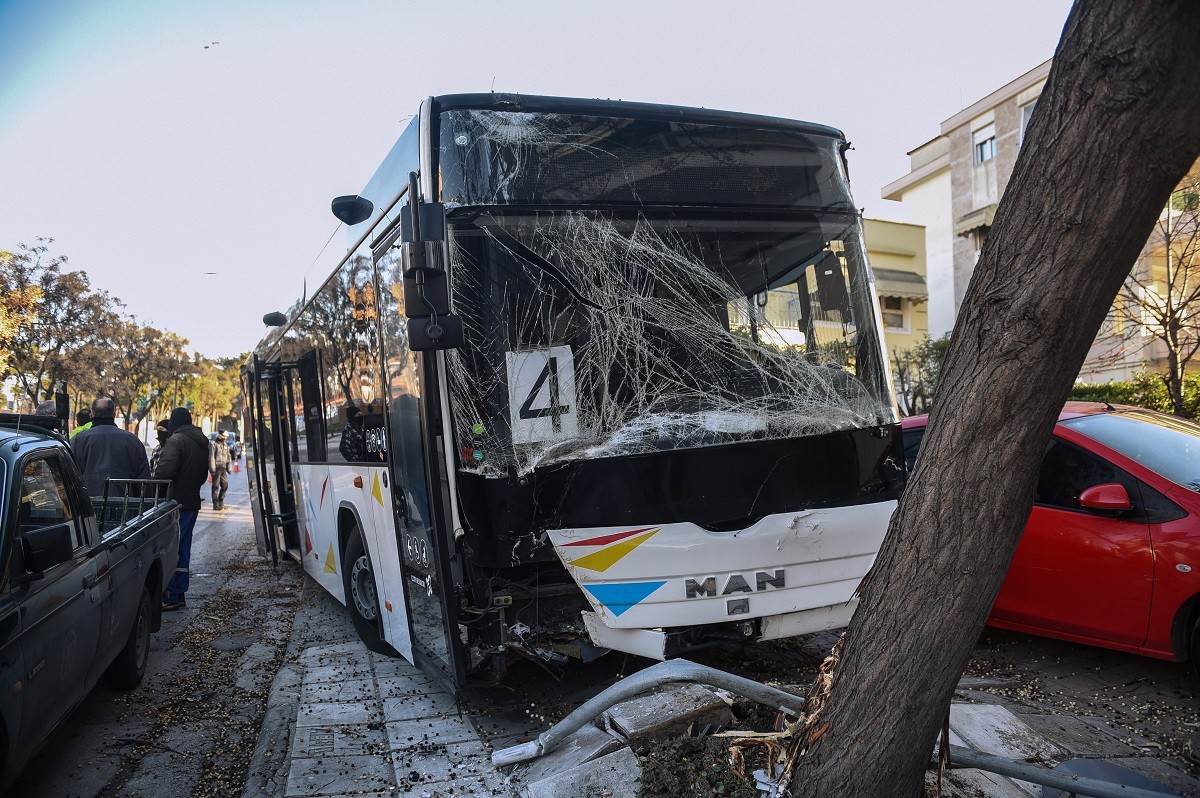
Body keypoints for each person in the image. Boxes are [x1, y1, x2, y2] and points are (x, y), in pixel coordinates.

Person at [154, 407, 209, 611]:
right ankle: (179, 592)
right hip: (191, 501)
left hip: (174, 503)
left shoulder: (176, 441)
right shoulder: (201, 441)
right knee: (183, 547)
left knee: (171, 548)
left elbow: (164, 473)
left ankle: (173, 594)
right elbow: (203, 475)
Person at [72, 397, 151, 498]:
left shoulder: (77, 440)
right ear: (114, 415)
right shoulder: (133, 441)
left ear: (91, 415)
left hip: (88, 504)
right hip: (125, 504)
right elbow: (143, 480)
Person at [209, 430, 232, 510]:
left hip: (223, 468)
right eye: (224, 436)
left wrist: (229, 468)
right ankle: (216, 505)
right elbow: (211, 457)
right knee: (215, 487)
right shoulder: (213, 444)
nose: (226, 438)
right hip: (217, 468)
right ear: (220, 435)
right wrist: (212, 469)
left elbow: (228, 457)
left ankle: (221, 501)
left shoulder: (225, 445)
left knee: (225, 486)